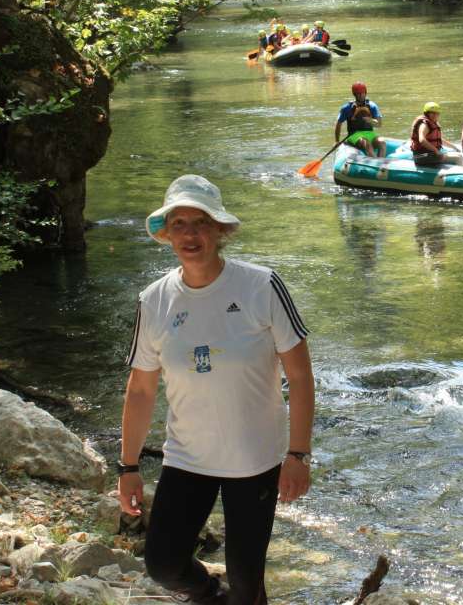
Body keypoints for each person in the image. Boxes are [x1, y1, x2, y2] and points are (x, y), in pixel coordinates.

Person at [120, 175, 316, 605]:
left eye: (201, 223)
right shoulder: (153, 300)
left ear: (220, 231)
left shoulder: (261, 286)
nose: (191, 234)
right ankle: (209, 594)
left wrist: (298, 454)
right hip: (188, 457)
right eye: (180, 224)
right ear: (166, 233)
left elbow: (300, 376)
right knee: (164, 565)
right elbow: (140, 391)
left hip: (255, 460)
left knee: (248, 585)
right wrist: (128, 466)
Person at [335, 81, 386, 158]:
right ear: (354, 94)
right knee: (366, 143)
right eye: (358, 93)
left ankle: (381, 163)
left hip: (370, 133)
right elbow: (339, 124)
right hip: (354, 135)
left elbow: (379, 124)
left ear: (365, 93)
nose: (361, 95)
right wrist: (337, 141)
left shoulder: (372, 106)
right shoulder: (347, 108)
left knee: (382, 143)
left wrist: (370, 120)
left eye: (362, 93)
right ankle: (376, 164)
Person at [410, 101, 459, 166]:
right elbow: (422, 140)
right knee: (459, 158)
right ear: (427, 113)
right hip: (423, 156)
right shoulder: (424, 125)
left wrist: (454, 147)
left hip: (429, 154)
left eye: (437, 113)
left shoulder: (432, 123)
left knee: (458, 154)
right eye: (432, 113)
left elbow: (439, 140)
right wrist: (436, 150)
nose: (435, 115)